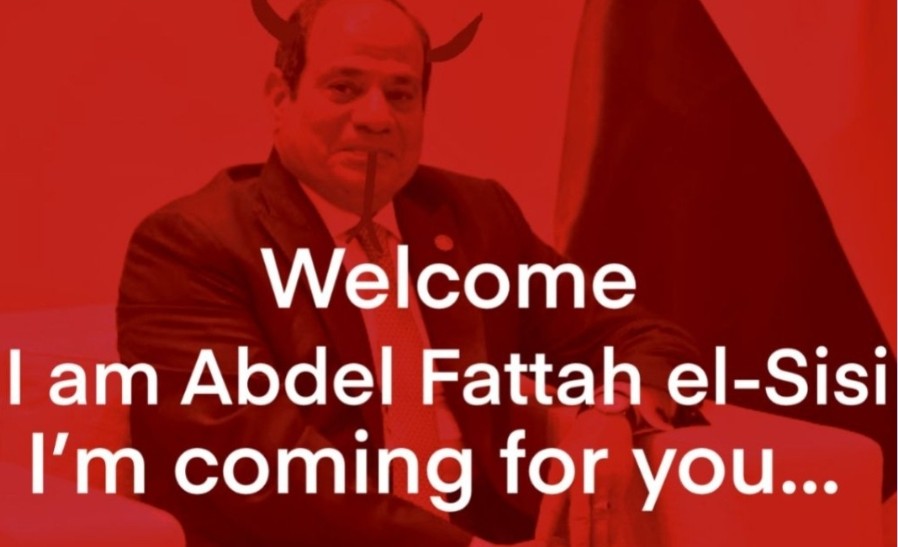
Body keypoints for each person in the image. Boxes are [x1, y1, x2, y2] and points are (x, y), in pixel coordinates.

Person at [117, 0, 696, 544]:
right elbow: (259, 468)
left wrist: (612, 410)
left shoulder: (474, 217)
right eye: (344, 88)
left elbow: (643, 337)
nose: (376, 118)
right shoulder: (192, 244)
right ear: (280, 96)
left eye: (400, 94)